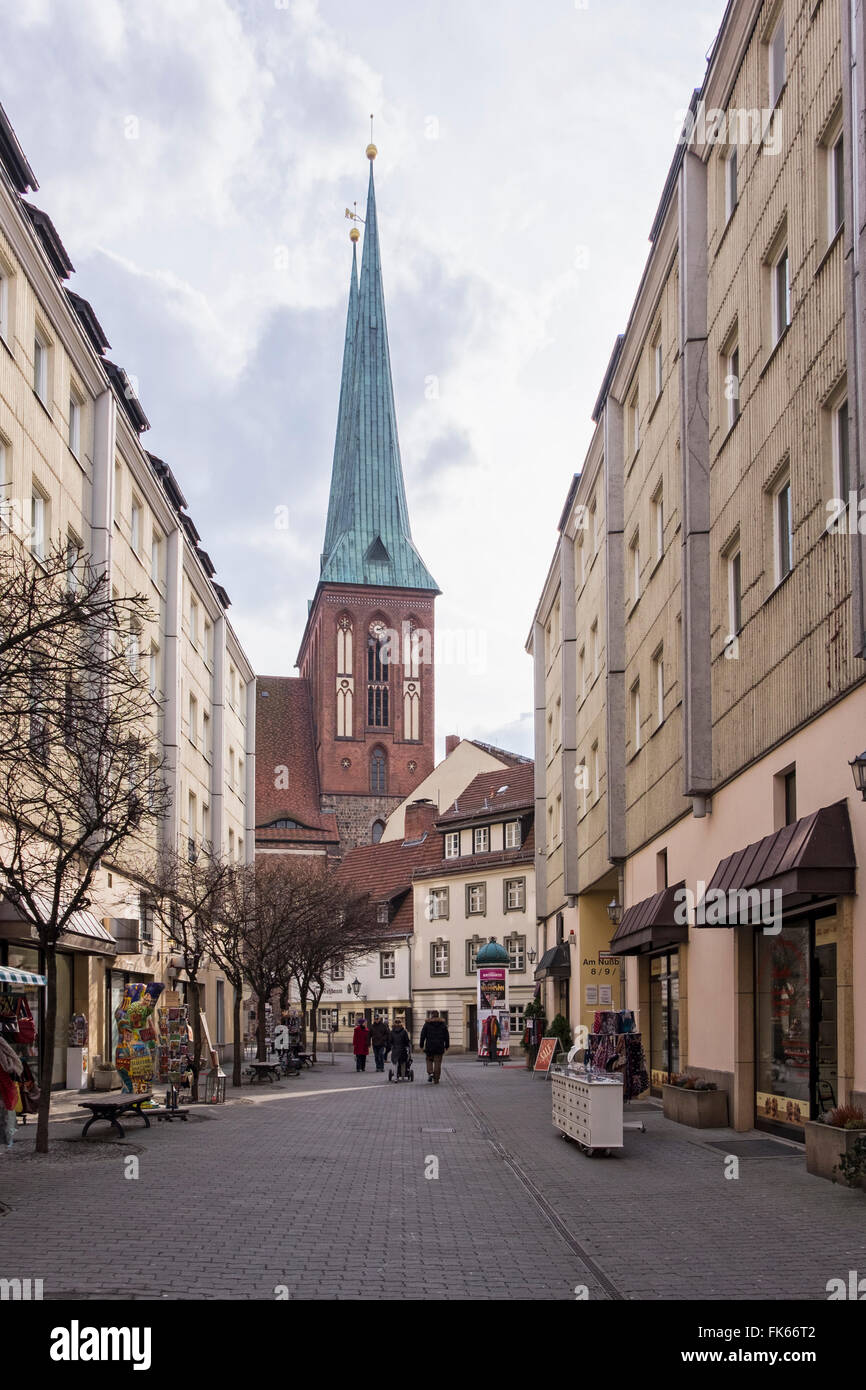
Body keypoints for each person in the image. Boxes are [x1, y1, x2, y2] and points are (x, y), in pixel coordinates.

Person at [419, 1010, 450, 1084]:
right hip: (439, 1046)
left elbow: (422, 1035)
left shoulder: (427, 1024)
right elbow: (446, 1036)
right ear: (438, 1015)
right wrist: (447, 1045)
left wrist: (421, 1045)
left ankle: (430, 1072)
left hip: (429, 1046)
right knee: (438, 1062)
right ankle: (436, 1079)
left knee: (429, 1060)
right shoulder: (443, 1024)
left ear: (431, 1015)